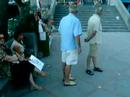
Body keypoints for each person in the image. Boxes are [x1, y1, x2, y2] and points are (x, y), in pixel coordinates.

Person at [58, 3, 82, 86]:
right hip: (71, 46)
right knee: (69, 63)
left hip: (63, 45)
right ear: (76, 11)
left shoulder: (63, 19)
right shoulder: (76, 20)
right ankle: (67, 81)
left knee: (64, 62)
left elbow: (60, 31)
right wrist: (79, 47)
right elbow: (77, 35)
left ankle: (65, 77)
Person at [84, 3, 103, 76]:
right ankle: (88, 69)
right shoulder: (97, 19)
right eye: (101, 11)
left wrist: (87, 38)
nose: (102, 12)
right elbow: (94, 32)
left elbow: (89, 29)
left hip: (94, 40)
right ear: (99, 12)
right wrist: (88, 39)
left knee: (94, 54)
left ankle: (95, 66)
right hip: (94, 40)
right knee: (90, 55)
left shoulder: (92, 17)